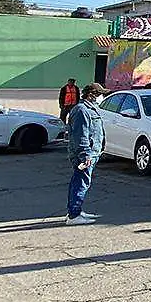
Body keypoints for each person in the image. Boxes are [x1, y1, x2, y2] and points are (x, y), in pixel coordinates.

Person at [65, 82, 107, 226]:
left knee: (80, 181)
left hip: (90, 153)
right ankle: (74, 215)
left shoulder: (90, 109)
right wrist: (85, 155)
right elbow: (80, 135)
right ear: (92, 95)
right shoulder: (82, 110)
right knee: (81, 183)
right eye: (100, 94)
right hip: (84, 155)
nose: (102, 97)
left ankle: (75, 211)